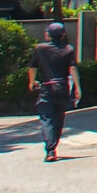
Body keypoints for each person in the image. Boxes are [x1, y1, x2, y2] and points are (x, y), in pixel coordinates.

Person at [28, 22, 80, 163]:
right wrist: (78, 89)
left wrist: (32, 82)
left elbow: (33, 68)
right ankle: (53, 146)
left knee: (47, 119)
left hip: (47, 88)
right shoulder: (69, 49)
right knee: (59, 119)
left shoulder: (40, 49)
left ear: (48, 34)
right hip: (63, 88)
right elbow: (73, 69)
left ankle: (50, 150)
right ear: (63, 34)